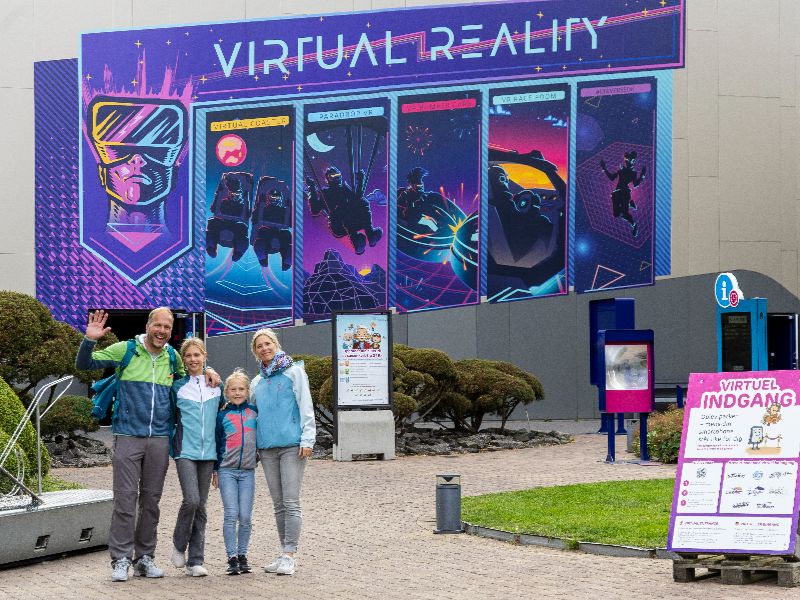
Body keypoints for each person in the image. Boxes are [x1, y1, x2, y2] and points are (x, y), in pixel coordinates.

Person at [75, 308, 220, 582]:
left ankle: (144, 558)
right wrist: (90, 339)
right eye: (158, 325)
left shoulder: (172, 357)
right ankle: (121, 559)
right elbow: (85, 364)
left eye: (167, 327)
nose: (162, 331)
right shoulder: (126, 350)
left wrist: (208, 370)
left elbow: (189, 377)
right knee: (125, 500)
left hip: (160, 439)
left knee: (151, 501)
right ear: (148, 325)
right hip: (128, 435)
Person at [250, 328, 316, 576]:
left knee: (291, 502)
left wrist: (308, 439)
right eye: (259, 346)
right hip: (267, 448)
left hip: (292, 446)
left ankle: (290, 554)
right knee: (278, 504)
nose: (264, 348)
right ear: (255, 352)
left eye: (268, 343)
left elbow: (305, 405)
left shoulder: (294, 372)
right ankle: (283, 552)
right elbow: (252, 414)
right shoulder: (257, 382)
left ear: (275, 344)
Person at [169, 338, 221, 577]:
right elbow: (169, 417)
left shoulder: (216, 386)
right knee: (191, 500)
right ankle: (178, 545)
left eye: (197, 355)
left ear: (204, 356)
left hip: (208, 453)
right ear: (183, 359)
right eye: (188, 355)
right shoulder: (177, 387)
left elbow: (221, 422)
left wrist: (220, 461)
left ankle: (195, 561)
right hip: (185, 452)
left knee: (201, 507)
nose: (193, 359)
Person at [212, 369, 258, 576]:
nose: (237, 393)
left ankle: (242, 554)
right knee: (231, 514)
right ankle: (231, 557)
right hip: (227, 471)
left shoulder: (254, 412)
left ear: (247, 391)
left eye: (241, 389)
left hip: (248, 472)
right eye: (233, 390)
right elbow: (216, 443)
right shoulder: (222, 416)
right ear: (227, 393)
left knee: (245, 516)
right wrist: (215, 470)